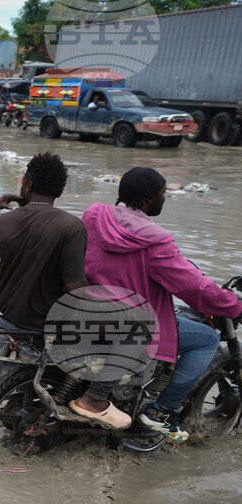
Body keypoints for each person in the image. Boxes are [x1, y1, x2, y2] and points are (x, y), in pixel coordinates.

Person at [82, 167, 242, 440]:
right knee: (206, 339)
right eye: (163, 193)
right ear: (147, 200)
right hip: (132, 322)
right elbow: (193, 287)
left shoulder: (94, 215)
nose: (164, 198)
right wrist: (234, 305)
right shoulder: (155, 240)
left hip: (87, 311)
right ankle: (162, 411)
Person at [0, 153, 132, 428]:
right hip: (47, 323)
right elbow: (74, 289)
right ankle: (95, 399)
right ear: (61, 190)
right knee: (130, 329)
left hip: (10, 315)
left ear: (27, 185)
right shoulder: (70, 226)